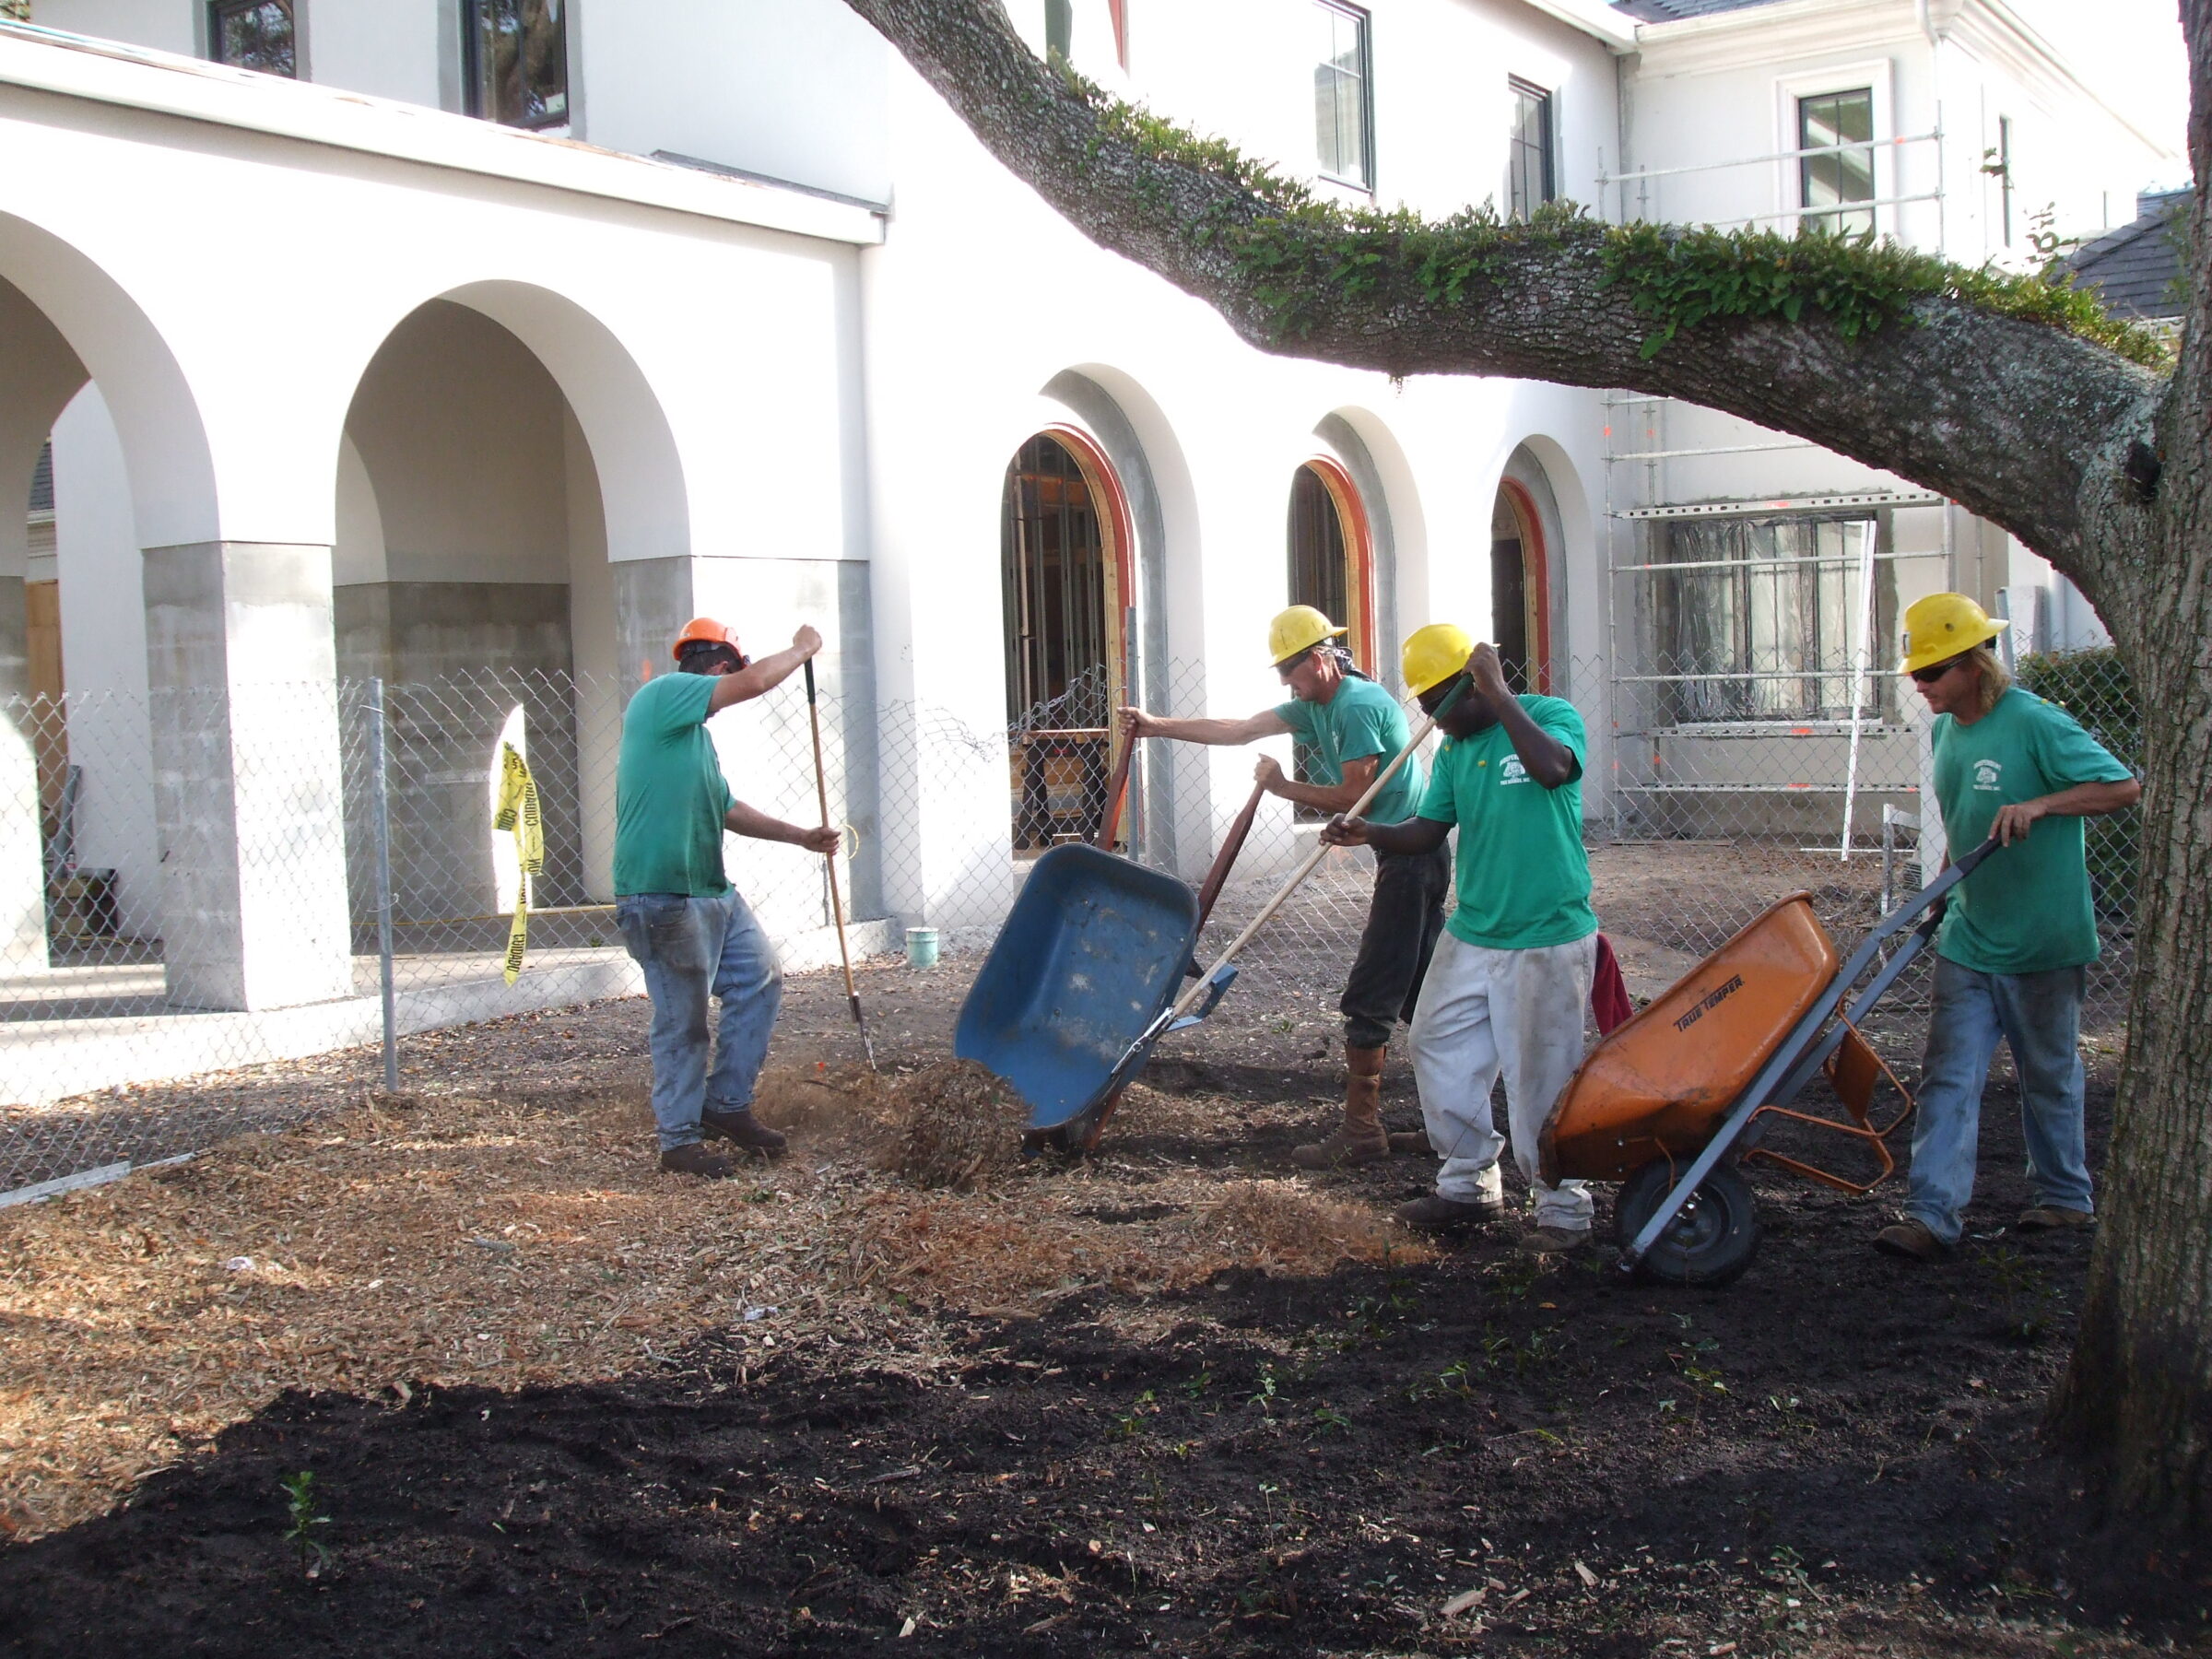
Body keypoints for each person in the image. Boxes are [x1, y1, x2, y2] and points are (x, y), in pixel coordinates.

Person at [1120, 606, 1447, 1166]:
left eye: (1290, 670)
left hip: (1412, 856)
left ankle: (1364, 1133)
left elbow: (1351, 796)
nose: (1285, 681)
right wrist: (1157, 726)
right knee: (1426, 993)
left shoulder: (1357, 706)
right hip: (1402, 853)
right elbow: (1240, 730)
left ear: (1320, 660)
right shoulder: (1313, 705)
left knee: (1373, 993)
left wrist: (1283, 787)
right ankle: (1454, 1126)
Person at [1874, 594, 2139, 1262]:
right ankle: (1931, 1214)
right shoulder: (1944, 731)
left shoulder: (2036, 724)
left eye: (1932, 673)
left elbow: (2121, 787)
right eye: (1916, 674)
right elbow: (1962, 815)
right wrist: (1942, 882)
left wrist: (2043, 804)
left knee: (2047, 1074)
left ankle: (2065, 1200)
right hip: (1968, 934)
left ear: (1973, 666)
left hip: (2043, 940)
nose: (1920, 685)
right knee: (1948, 1074)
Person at [1323, 626, 1599, 1252]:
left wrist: (1501, 697)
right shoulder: (1454, 752)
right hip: (1474, 929)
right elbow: (1425, 830)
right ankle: (1468, 1184)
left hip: (1545, 931)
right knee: (1436, 1040)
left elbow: (1555, 771)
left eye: (1439, 703)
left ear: (1476, 684)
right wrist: (1367, 831)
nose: (1434, 721)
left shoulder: (1548, 717)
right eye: (1423, 708)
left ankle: (1563, 1210)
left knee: (1539, 1075)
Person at [615, 617, 843, 1179]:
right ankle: (679, 1141)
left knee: (758, 978)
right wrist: (803, 649)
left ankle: (726, 1105)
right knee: (683, 1021)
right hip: (663, 894)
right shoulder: (663, 696)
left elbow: (727, 808)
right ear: (719, 666)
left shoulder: (693, 740)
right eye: (731, 674)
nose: (728, 690)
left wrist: (801, 836)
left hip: (712, 890)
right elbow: (758, 682)